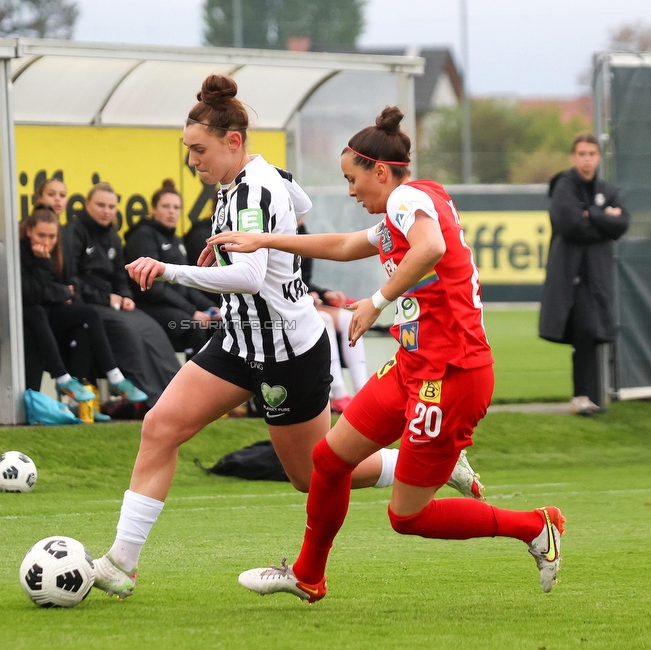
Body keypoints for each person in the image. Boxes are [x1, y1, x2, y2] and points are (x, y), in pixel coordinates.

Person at [87, 76, 483, 600]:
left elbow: (251, 278)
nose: (192, 161)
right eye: (188, 151)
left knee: (309, 473)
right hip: (239, 342)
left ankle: (424, 463)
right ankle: (121, 564)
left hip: (286, 352)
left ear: (233, 142)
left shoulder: (253, 188)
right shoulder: (246, 181)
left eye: (198, 149)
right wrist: (244, 245)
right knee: (160, 426)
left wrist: (171, 270)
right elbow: (298, 205)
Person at [215, 106, 565, 603]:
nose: (351, 191)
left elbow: (430, 249)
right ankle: (307, 575)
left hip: (451, 376)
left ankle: (534, 526)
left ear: (380, 171)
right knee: (329, 459)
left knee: (407, 516)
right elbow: (343, 244)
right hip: (413, 367)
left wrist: (376, 303)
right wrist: (264, 240)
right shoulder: (417, 200)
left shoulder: (405, 198)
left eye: (352, 179)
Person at [19, 205, 146, 414]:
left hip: (51, 313)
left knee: (88, 317)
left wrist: (58, 291)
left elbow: (71, 287)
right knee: (37, 312)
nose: (46, 242)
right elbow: (31, 294)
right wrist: (47, 271)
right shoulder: (22, 251)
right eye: (41, 235)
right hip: (31, 316)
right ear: (29, 231)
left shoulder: (59, 249)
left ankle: (114, 379)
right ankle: (63, 379)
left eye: (51, 236)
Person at [65, 181, 181, 406]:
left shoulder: (112, 237)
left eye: (111, 207)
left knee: (151, 328)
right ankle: (152, 400)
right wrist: (105, 298)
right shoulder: (74, 233)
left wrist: (126, 295)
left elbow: (121, 275)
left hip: (115, 303)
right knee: (128, 332)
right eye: (100, 205)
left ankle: (177, 395)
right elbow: (72, 281)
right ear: (87, 204)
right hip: (89, 304)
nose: (106, 211)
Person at [539, 133, 630, 416]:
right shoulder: (564, 185)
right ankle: (583, 397)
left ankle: (588, 399)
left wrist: (591, 214)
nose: (587, 158)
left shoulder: (606, 189)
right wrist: (604, 217)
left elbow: (622, 224)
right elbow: (570, 224)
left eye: (592, 153)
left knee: (591, 334)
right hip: (570, 276)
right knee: (585, 330)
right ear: (573, 157)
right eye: (581, 153)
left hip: (597, 276)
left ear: (599, 157)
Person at [124, 179, 219, 359]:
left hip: (176, 306)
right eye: (166, 206)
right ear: (153, 209)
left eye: (176, 208)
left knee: (217, 323)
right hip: (149, 306)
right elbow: (153, 288)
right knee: (193, 326)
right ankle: (191, 384)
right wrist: (192, 311)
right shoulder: (143, 235)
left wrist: (209, 307)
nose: (171, 212)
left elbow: (186, 284)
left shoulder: (176, 240)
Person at [296, 214, 368, 414]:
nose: (301, 216)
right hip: (280, 308)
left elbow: (303, 280)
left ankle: (362, 391)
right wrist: (305, 295)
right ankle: (338, 393)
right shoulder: (271, 236)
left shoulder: (303, 235)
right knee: (324, 320)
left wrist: (323, 293)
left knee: (348, 318)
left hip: (304, 302)